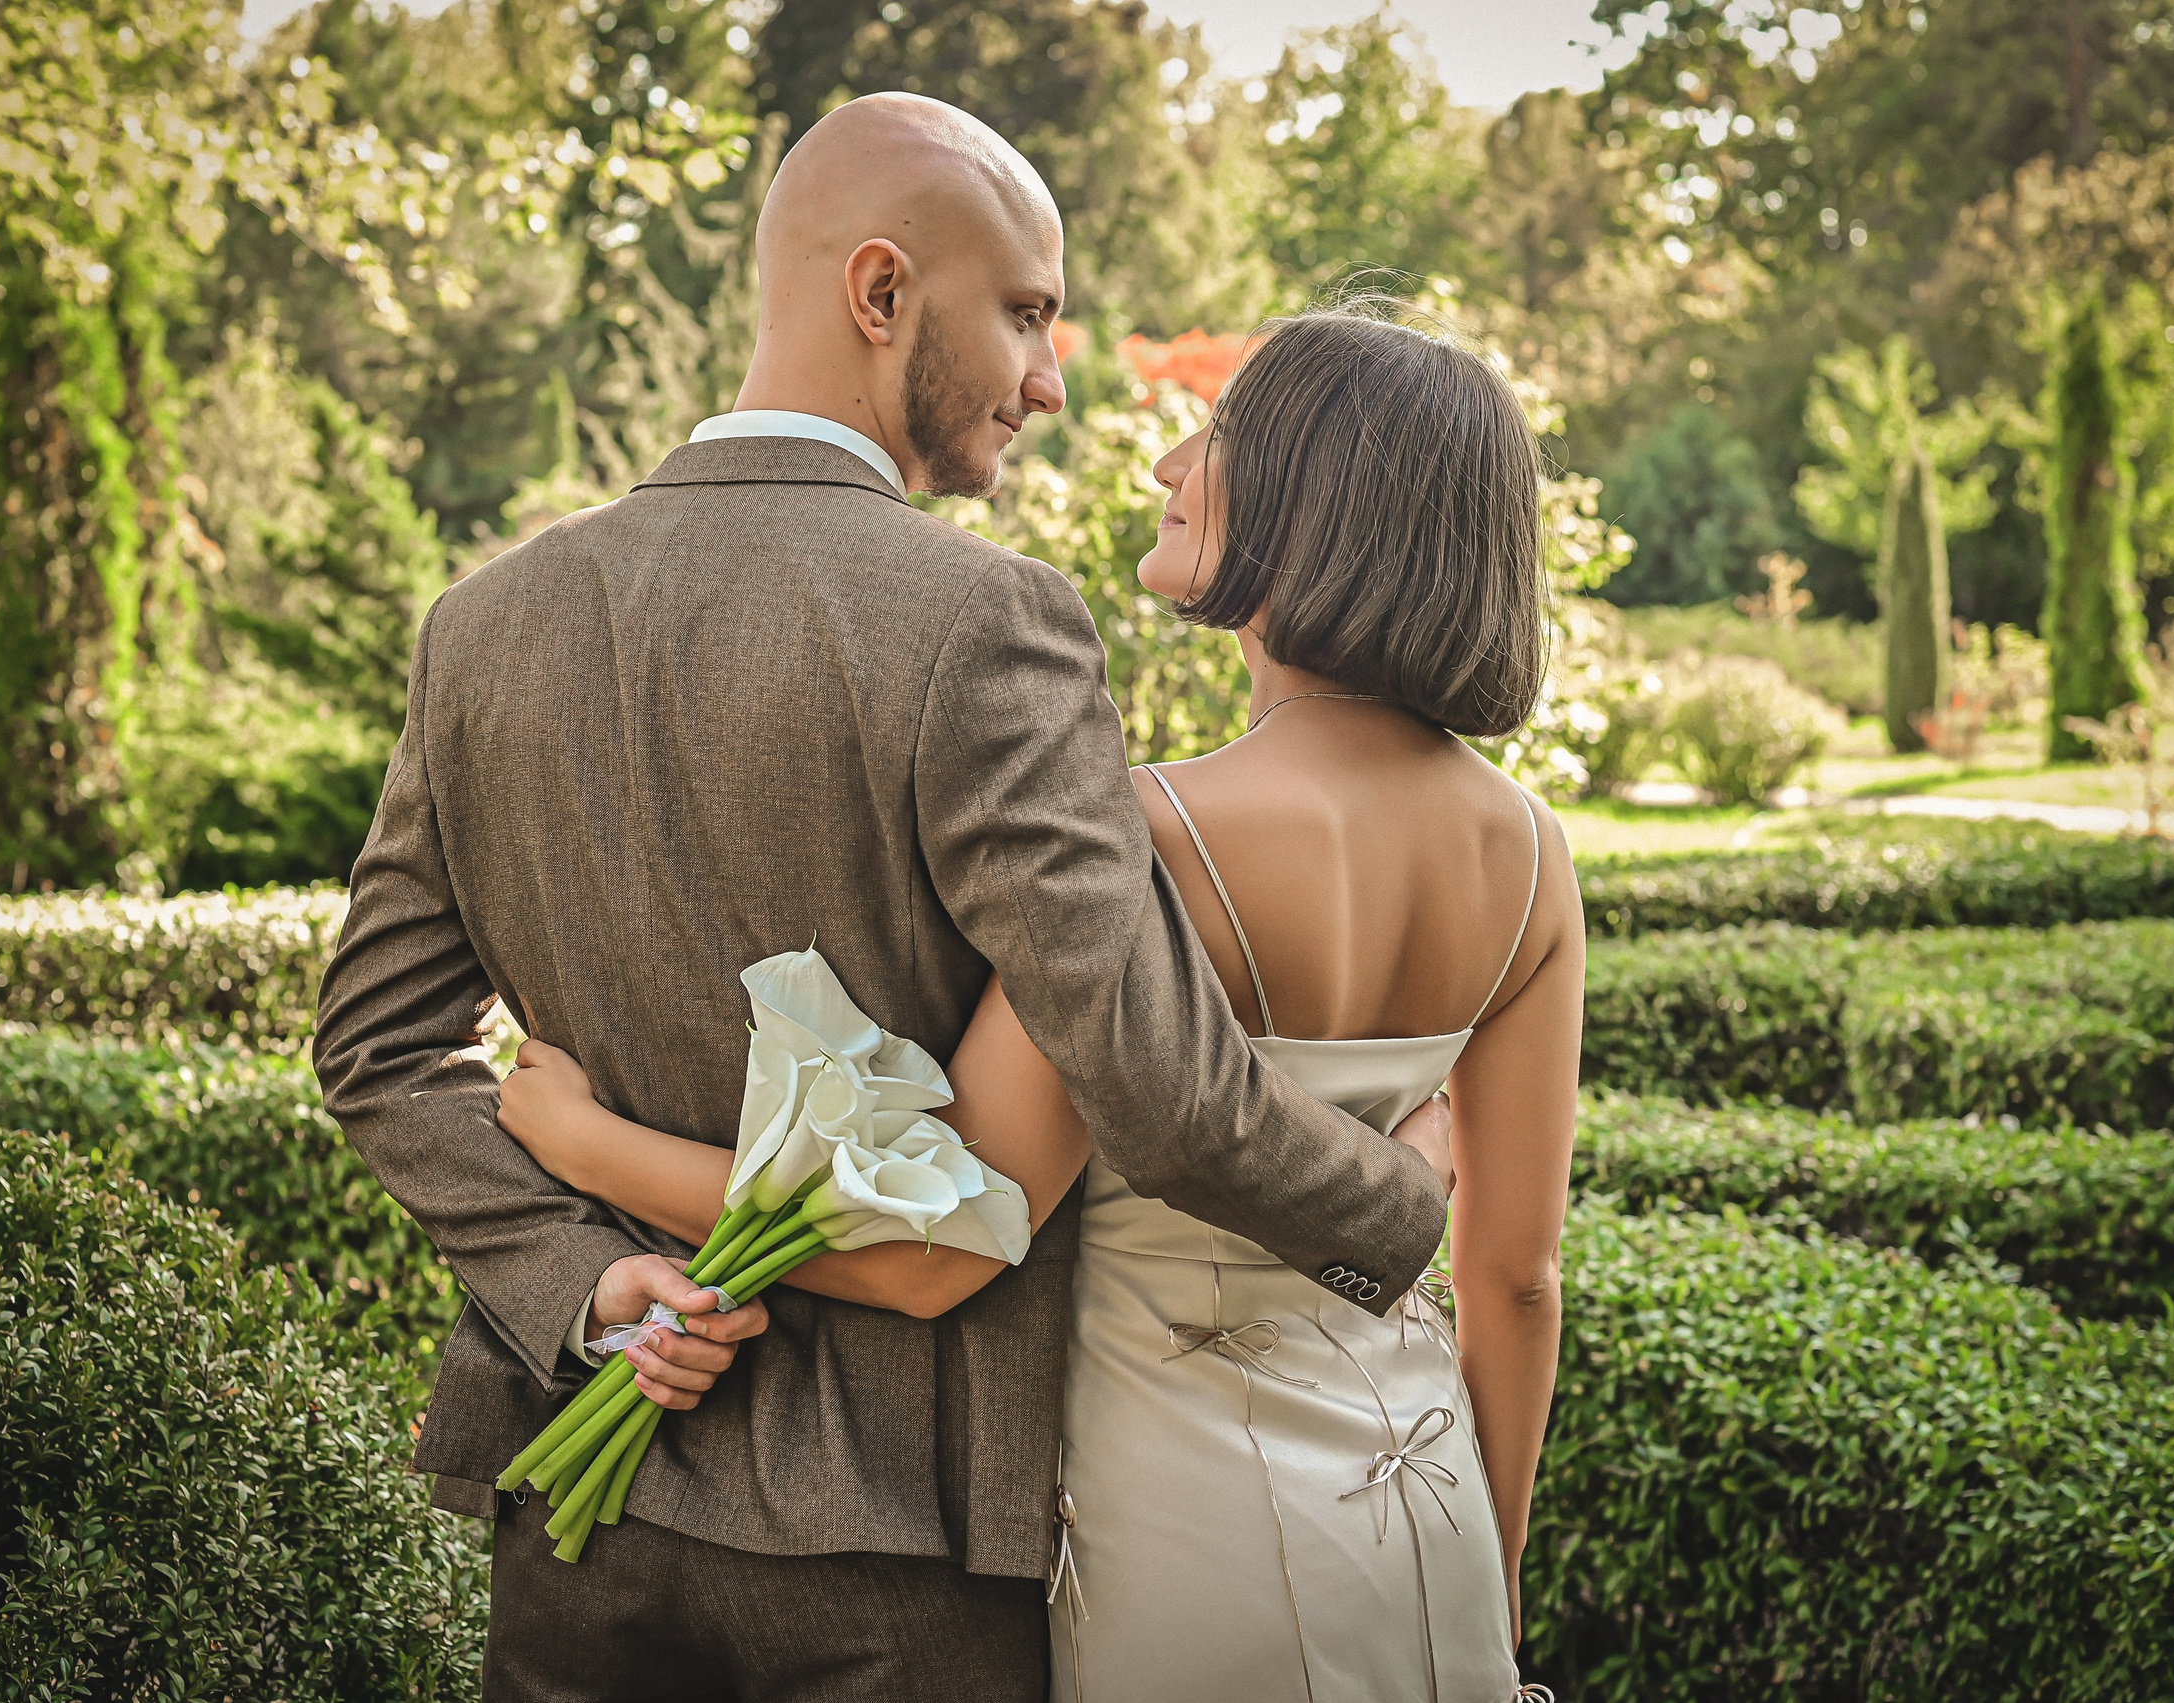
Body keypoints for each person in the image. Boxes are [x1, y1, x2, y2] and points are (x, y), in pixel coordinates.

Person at [311, 93, 1451, 1703]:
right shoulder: (990, 622)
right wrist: (1400, 1210)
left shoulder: (484, 621)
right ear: (882, 291)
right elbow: (1157, 1083)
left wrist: (582, 1283)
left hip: (576, 1530)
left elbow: (374, 1049)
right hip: (894, 1555)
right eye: (1029, 314)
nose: (1051, 382)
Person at [502, 303, 1582, 1701]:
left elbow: (938, 1242)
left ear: (1320, 505)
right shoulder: (1532, 855)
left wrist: (587, 1144)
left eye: (1219, 436)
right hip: (1423, 1518)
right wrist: (1494, 1569)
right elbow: (1515, 1279)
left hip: (1184, 1535)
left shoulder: (1142, 839)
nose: (1169, 463)